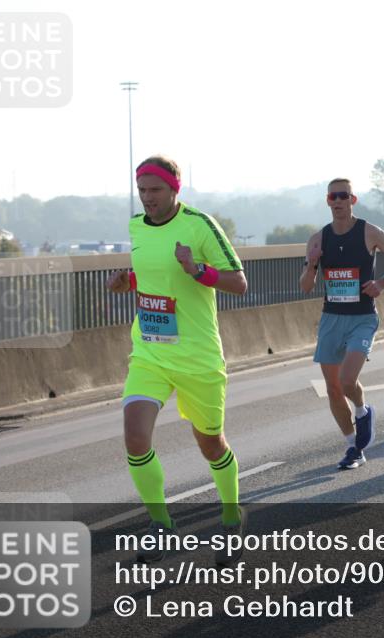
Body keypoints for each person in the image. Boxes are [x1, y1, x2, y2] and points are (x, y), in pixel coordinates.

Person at [106, 155, 249, 566]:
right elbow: (152, 276)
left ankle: (229, 517)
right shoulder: (136, 226)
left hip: (197, 357)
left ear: (174, 190)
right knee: (135, 437)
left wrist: (197, 269)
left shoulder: (199, 226)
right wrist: (127, 282)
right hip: (150, 351)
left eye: (155, 190)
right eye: (142, 191)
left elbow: (239, 282)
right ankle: (161, 527)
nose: (147, 198)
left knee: (210, 444)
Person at [300, 178, 384, 470]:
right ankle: (353, 448)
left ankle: (362, 411)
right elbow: (305, 287)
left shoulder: (370, 232)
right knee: (333, 388)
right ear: (327, 201)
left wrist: (382, 282)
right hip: (331, 319)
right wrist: (312, 264)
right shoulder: (317, 239)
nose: (338, 201)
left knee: (348, 380)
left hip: (362, 318)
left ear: (353, 200)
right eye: (333, 196)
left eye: (343, 196)